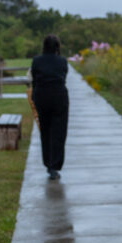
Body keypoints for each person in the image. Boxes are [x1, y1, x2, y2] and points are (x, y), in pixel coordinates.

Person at [27, 34, 69, 179]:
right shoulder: (62, 61)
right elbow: (63, 77)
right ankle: (54, 166)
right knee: (59, 132)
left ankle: (48, 163)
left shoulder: (36, 60)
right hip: (59, 98)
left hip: (42, 97)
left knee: (45, 131)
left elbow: (34, 80)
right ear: (57, 46)